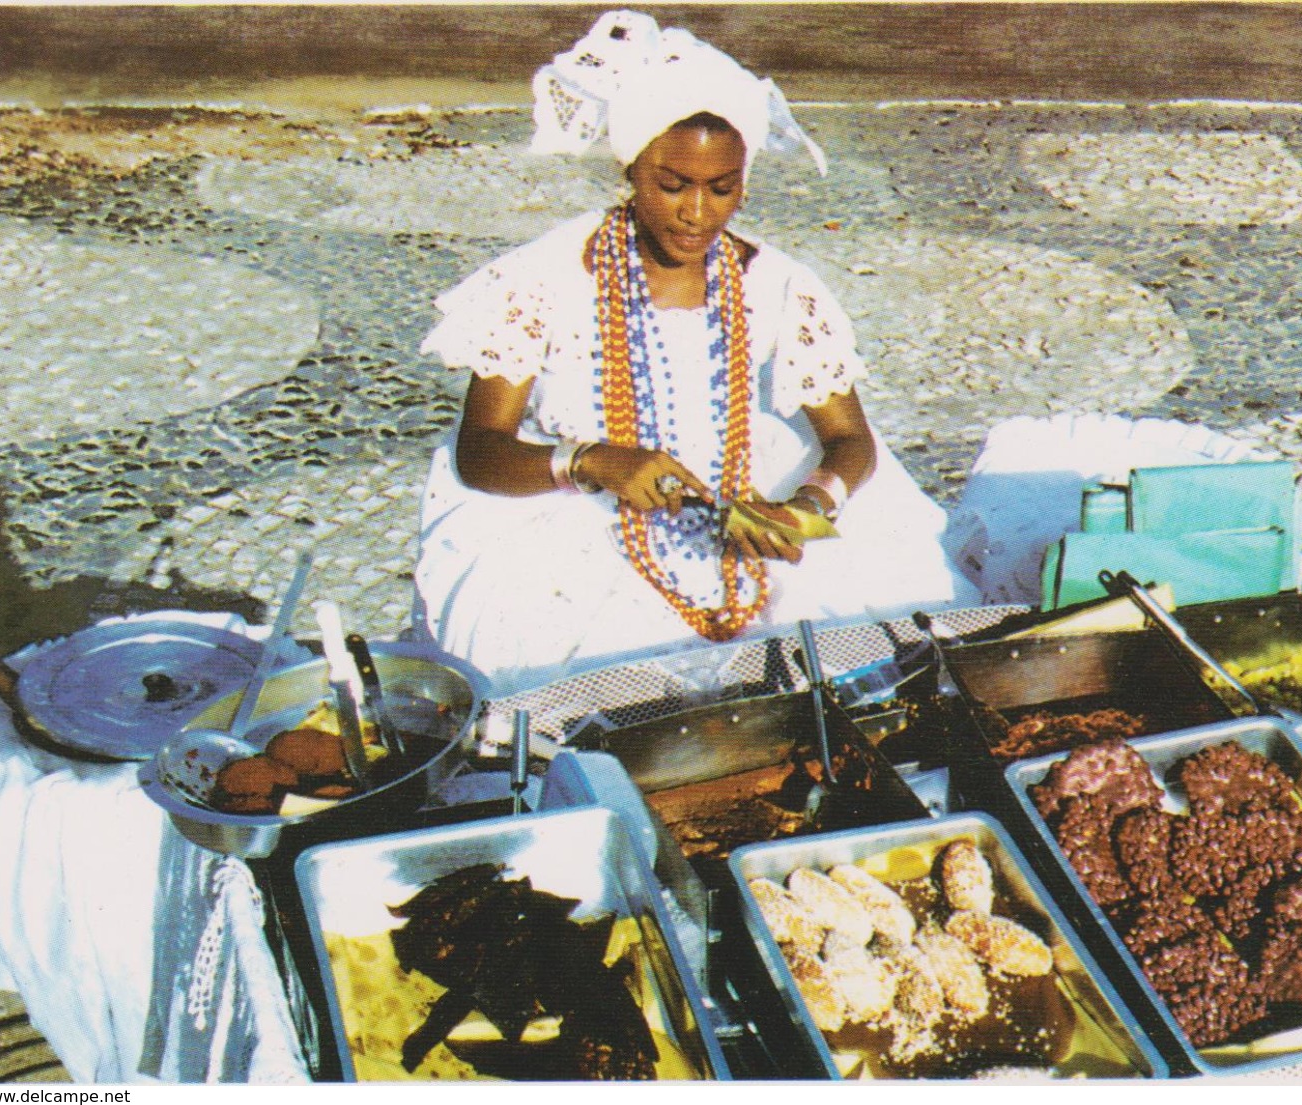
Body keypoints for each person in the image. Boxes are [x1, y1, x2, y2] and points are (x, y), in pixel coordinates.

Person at [414, 10, 976, 695]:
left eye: (722, 188)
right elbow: (480, 451)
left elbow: (850, 439)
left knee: (861, 646)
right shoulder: (544, 280)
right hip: (575, 508)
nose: (697, 214)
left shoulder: (776, 284)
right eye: (671, 184)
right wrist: (591, 461)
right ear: (631, 169)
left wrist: (808, 504)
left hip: (742, 495)